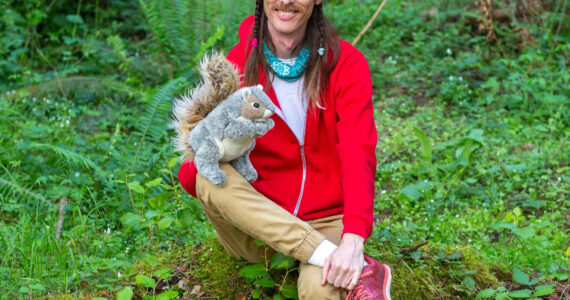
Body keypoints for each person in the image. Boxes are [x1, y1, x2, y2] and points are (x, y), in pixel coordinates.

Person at [178, 0, 392, 298]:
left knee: (318, 292)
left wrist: (353, 241)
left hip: (327, 222)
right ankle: (342, 260)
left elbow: (358, 151)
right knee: (207, 176)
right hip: (258, 228)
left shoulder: (346, 63)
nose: (286, 1)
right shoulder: (237, 65)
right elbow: (191, 175)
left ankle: (328, 256)